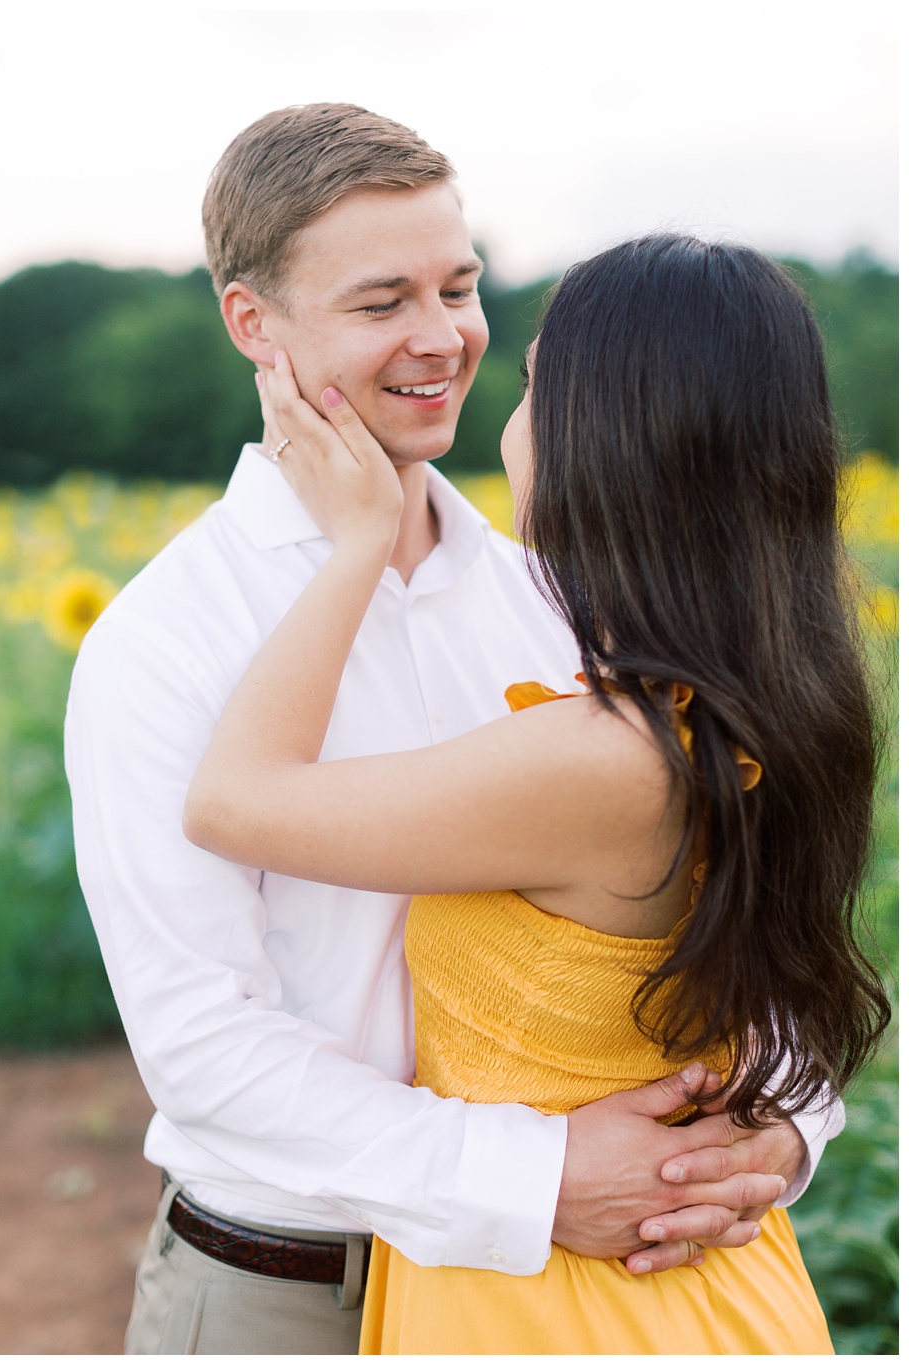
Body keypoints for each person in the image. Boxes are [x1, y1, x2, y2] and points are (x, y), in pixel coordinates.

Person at [64, 105, 845, 1355]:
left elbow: (747, 910)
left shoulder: (569, 600)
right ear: (252, 325)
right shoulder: (166, 641)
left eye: (461, 286)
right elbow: (203, 1049)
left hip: (595, 1286)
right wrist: (531, 1180)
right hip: (291, 1293)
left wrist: (784, 1123)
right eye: (382, 302)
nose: (440, 340)